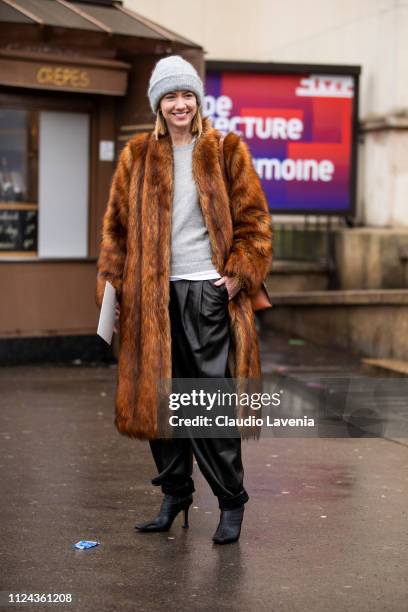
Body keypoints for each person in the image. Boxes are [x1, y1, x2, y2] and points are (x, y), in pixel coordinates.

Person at [95, 55, 273, 544]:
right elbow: (116, 230)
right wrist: (113, 289)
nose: (179, 104)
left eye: (186, 95)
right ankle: (175, 495)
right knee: (158, 404)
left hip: (206, 293)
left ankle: (231, 501)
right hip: (149, 297)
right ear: (158, 103)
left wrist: (238, 276)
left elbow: (254, 223)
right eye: (170, 96)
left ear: (198, 102)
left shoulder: (224, 150)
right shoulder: (136, 156)